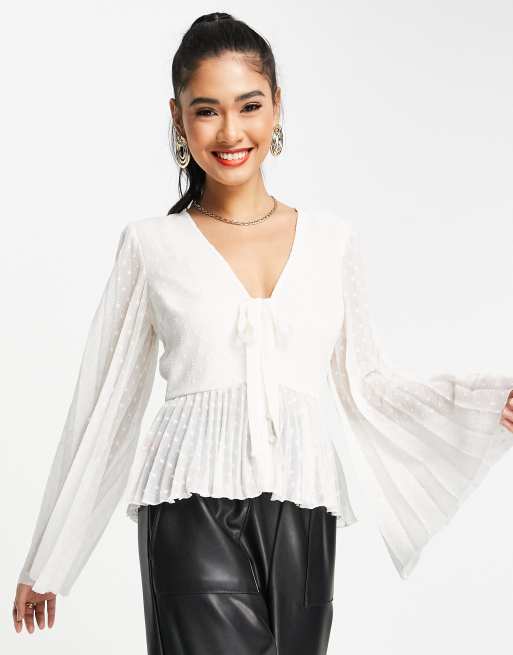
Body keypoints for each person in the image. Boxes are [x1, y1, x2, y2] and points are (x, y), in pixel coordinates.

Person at [12, 11, 513, 655]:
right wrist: (49, 558)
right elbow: (104, 406)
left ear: (277, 105)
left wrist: (485, 403)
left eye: (248, 106)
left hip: (305, 515)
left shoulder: (332, 243)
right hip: (192, 511)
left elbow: (369, 386)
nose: (230, 132)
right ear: (177, 117)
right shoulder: (151, 245)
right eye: (207, 111)